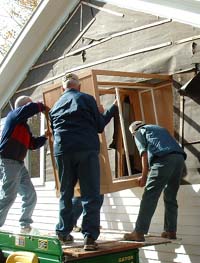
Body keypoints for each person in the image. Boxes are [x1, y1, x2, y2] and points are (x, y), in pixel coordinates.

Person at [49, 73, 117, 251]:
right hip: (85, 149)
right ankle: (89, 238)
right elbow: (99, 125)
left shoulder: (54, 106)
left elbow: (54, 130)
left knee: (66, 193)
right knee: (91, 194)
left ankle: (63, 232)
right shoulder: (86, 99)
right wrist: (110, 111)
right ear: (78, 87)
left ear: (63, 89)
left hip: (63, 151)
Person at [124, 121, 186, 242]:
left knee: (150, 196)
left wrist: (144, 176)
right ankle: (170, 231)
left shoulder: (139, 132)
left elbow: (144, 154)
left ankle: (139, 232)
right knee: (170, 196)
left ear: (133, 132)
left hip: (163, 159)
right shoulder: (158, 128)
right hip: (179, 159)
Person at [0, 96, 47, 233]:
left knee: (30, 195)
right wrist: (42, 106)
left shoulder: (24, 127)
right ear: (23, 107)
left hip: (19, 164)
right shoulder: (13, 116)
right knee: (8, 195)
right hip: (7, 161)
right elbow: (31, 108)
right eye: (29, 106)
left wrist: (45, 137)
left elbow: (32, 144)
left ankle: (25, 226)